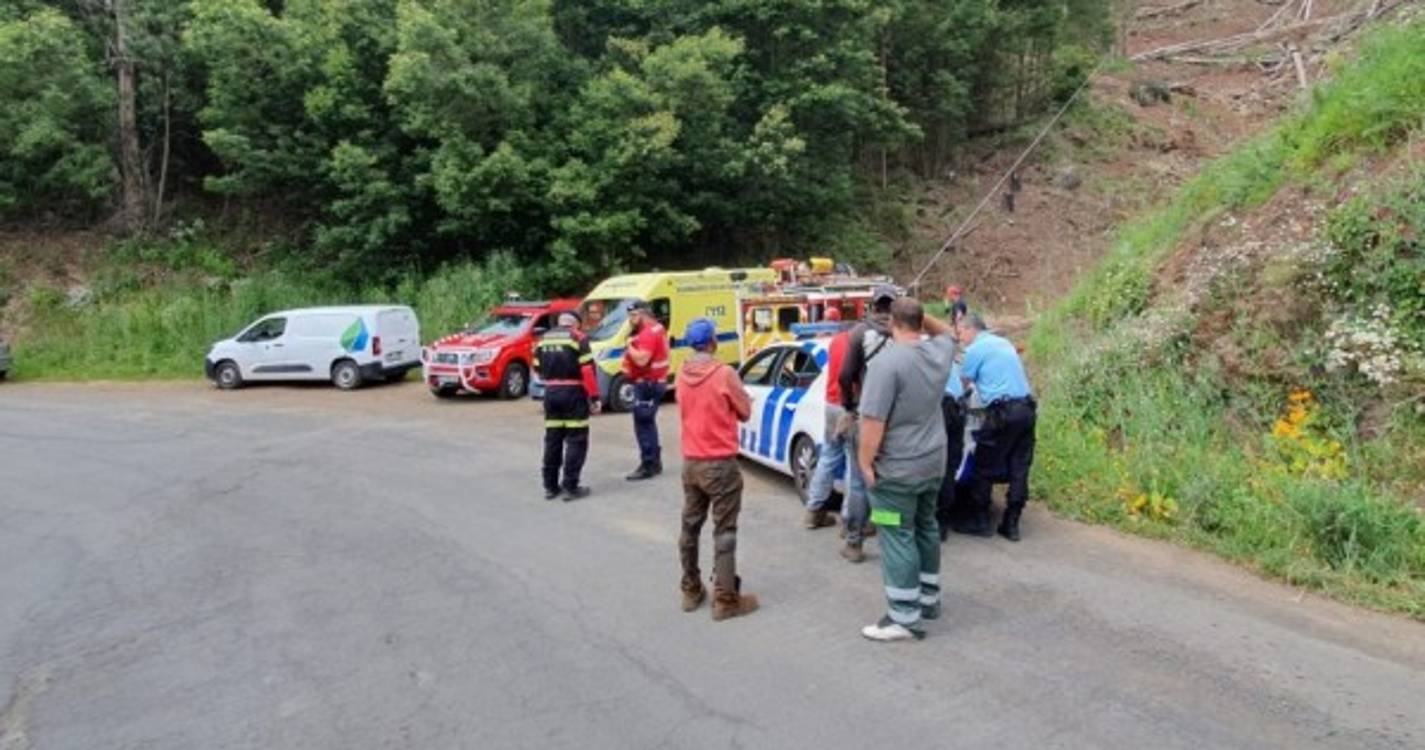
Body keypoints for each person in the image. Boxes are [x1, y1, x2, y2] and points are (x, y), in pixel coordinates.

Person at [856, 297, 957, 642]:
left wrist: (865, 463)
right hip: (933, 465)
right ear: (920, 321)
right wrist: (919, 314)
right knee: (926, 526)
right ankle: (928, 600)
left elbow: (873, 421)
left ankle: (903, 616)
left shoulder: (886, 364)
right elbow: (949, 333)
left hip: (896, 472)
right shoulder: (939, 352)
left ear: (891, 322)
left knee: (895, 533)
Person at [676, 318, 759, 620]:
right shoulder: (724, 374)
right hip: (720, 464)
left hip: (691, 462)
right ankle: (725, 601)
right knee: (724, 530)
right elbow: (745, 412)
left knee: (690, 527)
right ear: (713, 341)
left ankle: (691, 590)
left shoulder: (681, 374)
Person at [956, 313, 1036, 541]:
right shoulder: (1003, 343)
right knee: (1019, 467)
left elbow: (963, 384)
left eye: (960, 333)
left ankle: (979, 521)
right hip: (1027, 409)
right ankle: (1012, 524)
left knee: (984, 464)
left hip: (1002, 412)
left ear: (970, 329)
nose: (960, 339)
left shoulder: (975, 349)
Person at [834, 285, 897, 563]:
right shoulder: (903, 333)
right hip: (894, 421)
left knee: (860, 481)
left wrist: (849, 405)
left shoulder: (860, 332)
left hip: (866, 416)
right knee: (887, 483)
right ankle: (888, 536)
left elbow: (845, 375)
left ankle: (854, 543)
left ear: (873, 305)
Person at [534, 311, 601, 501]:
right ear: (576, 324)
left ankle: (550, 486)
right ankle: (571, 486)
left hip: (551, 393)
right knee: (576, 440)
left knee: (553, 440)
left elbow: (537, 368)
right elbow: (587, 371)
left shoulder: (543, 339)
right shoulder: (579, 338)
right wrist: (594, 397)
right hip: (573, 393)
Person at [622, 300, 670, 481]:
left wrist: (629, 346)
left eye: (634, 315)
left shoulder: (647, 333)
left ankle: (648, 464)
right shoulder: (658, 328)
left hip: (647, 384)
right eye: (629, 315)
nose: (631, 319)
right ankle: (655, 462)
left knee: (643, 425)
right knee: (648, 423)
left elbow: (642, 360)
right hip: (654, 382)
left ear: (643, 314)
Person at [936, 350, 968, 541]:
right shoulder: (951, 360)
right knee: (948, 467)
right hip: (956, 409)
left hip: (936, 409)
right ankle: (941, 524)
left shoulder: (917, 355)